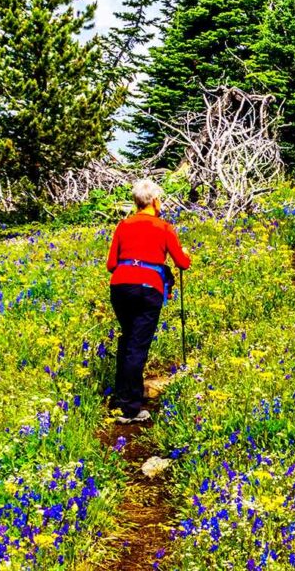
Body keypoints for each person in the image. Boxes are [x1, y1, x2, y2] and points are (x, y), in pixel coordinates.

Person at [106, 179, 191, 423]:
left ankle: (122, 397)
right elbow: (182, 263)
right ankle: (129, 409)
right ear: (154, 201)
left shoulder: (123, 225)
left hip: (120, 287)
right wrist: (184, 255)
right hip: (147, 288)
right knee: (137, 345)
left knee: (128, 340)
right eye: (160, 199)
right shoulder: (163, 227)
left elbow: (111, 264)